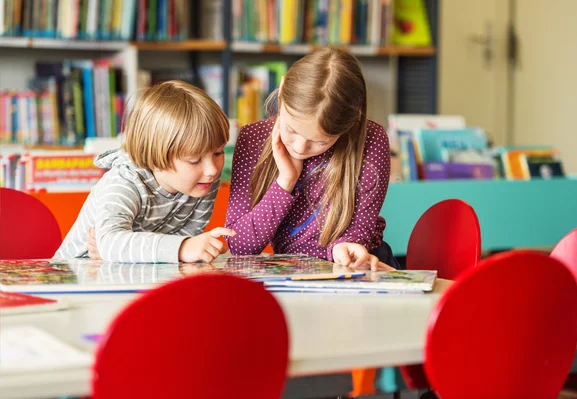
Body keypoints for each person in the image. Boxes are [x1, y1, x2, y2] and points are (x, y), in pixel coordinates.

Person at [225, 46, 398, 271]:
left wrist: (342, 248)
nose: (299, 148)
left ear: (352, 121)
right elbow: (239, 246)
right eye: (292, 130)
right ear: (282, 89)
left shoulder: (371, 141)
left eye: (320, 141)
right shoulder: (253, 139)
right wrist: (285, 182)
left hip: (357, 265)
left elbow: (356, 235)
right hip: (292, 272)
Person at [55, 80, 235, 263]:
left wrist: (185, 247)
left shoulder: (201, 180)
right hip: (74, 277)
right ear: (156, 157)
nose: (212, 169)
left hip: (133, 275)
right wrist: (182, 247)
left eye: (218, 152)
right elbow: (109, 243)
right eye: (194, 160)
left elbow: (185, 239)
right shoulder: (124, 181)